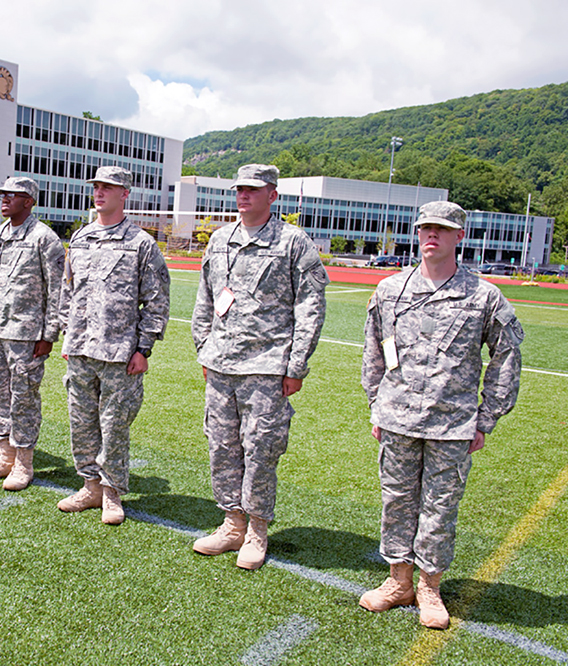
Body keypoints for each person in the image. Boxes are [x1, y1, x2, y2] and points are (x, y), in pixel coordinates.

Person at [359, 201, 522, 629]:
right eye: (425, 228)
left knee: (440, 508)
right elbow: (373, 351)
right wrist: (377, 404)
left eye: (442, 229)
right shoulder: (390, 289)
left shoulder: (483, 296)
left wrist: (486, 418)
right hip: (397, 420)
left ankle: (429, 586)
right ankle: (399, 581)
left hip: (453, 425)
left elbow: (506, 357)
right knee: (396, 503)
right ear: (416, 233)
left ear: (458, 237)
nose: (432, 235)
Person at [190, 164, 327, 569]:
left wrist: (296, 365)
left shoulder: (293, 242)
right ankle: (231, 522)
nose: (244, 196)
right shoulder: (219, 240)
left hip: (267, 366)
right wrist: (205, 347)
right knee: (221, 446)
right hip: (221, 365)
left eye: (254, 189)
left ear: (273, 195)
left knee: (261, 449)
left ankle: (257, 530)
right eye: (240, 190)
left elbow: (311, 306)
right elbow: (205, 296)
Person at [57, 166, 171, 525]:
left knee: (115, 425)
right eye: (97, 187)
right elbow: (68, 290)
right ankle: (89, 485)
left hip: (120, 353)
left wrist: (144, 348)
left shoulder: (141, 243)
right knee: (81, 422)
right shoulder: (80, 239)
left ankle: (111, 492)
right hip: (80, 350)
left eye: (109, 187)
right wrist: (67, 332)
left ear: (125, 194)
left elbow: (156, 300)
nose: (100, 193)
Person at [0, 177, 65, 491]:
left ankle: (24, 462)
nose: (5, 199)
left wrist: (49, 334)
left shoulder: (44, 238)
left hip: (28, 334)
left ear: (29, 200)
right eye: (2, 194)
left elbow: (58, 291)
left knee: (24, 398)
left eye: (12, 195)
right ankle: (5, 456)